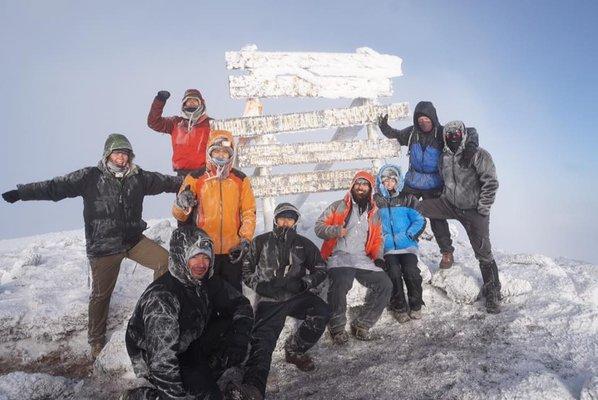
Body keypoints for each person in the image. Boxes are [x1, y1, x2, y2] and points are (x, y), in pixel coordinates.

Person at [1, 134, 182, 358]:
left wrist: (191, 181)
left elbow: (167, 182)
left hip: (133, 241)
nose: (121, 157)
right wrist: (22, 192)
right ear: (108, 155)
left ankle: (153, 310)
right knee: (100, 296)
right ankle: (96, 342)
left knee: (165, 261)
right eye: (117, 153)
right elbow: (55, 187)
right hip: (104, 247)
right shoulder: (90, 177)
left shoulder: (139, 177)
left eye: (125, 153)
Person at [123, 225, 254, 400]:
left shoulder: (205, 279)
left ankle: (206, 372)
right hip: (156, 356)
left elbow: (241, 304)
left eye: (206, 257)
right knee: (208, 395)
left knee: (230, 328)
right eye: (195, 257)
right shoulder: (162, 298)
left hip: (190, 339)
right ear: (180, 258)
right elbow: (162, 363)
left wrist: (239, 339)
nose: (201, 264)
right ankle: (145, 395)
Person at [230, 203, 330, 400]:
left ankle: (294, 348)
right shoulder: (261, 242)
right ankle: (253, 387)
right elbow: (246, 269)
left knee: (322, 312)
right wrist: (260, 287)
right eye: (282, 218)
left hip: (296, 295)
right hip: (270, 299)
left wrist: (305, 283)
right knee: (263, 342)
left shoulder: (303, 244)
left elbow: (320, 267)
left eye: (290, 218)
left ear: (295, 222)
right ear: (275, 219)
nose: (286, 222)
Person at [378, 101, 479, 269]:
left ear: (433, 118)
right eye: (420, 119)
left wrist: (470, 148)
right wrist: (383, 126)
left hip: (434, 183)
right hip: (413, 181)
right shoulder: (412, 133)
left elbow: (471, 132)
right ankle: (398, 244)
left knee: (437, 218)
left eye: (426, 118)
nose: (423, 122)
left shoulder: (442, 133)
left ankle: (447, 252)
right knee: (398, 208)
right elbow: (394, 134)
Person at [416, 121, 501, 313]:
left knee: (483, 251)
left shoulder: (478, 154)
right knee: (421, 208)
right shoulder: (444, 157)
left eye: (456, 133)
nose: (453, 136)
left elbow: (491, 182)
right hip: (450, 204)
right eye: (449, 133)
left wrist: (483, 207)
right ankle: (445, 250)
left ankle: (493, 291)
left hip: (474, 210)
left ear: (463, 134)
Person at [172, 130, 256, 291]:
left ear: (231, 154)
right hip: (203, 250)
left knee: (232, 295)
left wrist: (245, 240)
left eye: (225, 152)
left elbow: (248, 211)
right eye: (216, 150)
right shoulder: (195, 178)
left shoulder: (241, 179)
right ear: (209, 151)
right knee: (204, 295)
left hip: (232, 251)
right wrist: (181, 203)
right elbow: (179, 215)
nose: (220, 155)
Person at [314, 171, 392, 344]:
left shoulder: (375, 213)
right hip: (339, 255)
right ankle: (337, 327)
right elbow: (318, 227)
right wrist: (334, 230)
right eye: (358, 183)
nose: (361, 187)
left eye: (365, 184)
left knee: (385, 284)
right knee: (341, 282)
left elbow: (379, 238)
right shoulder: (338, 206)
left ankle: (362, 324)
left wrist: (378, 257)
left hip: (361, 258)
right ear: (352, 186)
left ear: (370, 188)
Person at [373, 164, 426, 323]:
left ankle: (416, 305)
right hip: (388, 248)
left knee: (411, 272)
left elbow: (420, 220)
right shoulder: (376, 201)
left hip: (407, 246)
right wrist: (380, 239)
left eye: (391, 179)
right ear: (380, 182)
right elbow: (371, 223)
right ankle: (399, 307)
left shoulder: (407, 198)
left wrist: (410, 234)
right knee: (394, 273)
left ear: (397, 180)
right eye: (384, 180)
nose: (388, 182)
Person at [147, 88, 211, 175]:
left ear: (201, 103)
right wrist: (160, 100)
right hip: (182, 174)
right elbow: (154, 122)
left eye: (195, 100)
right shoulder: (175, 123)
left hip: (204, 174)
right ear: (184, 104)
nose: (191, 102)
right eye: (188, 100)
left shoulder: (210, 124)